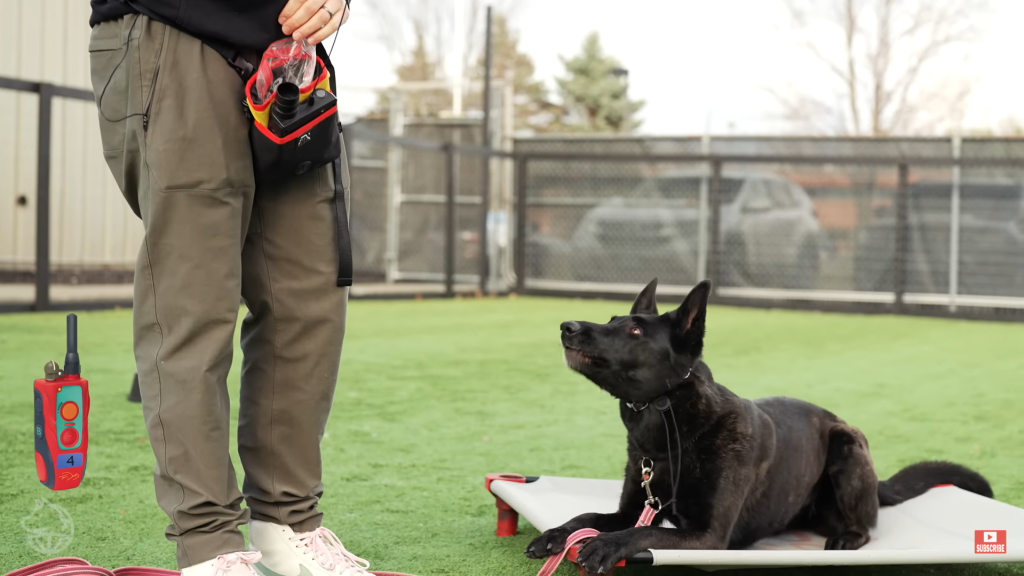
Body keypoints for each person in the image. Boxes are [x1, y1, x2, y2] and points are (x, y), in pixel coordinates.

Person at [87, 1, 363, 575]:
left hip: (287, 57)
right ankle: (209, 542)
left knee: (307, 300)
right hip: (174, 28)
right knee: (194, 298)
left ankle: (286, 524)